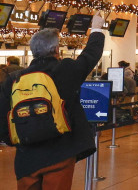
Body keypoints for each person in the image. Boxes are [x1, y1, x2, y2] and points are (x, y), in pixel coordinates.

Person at [0, 17, 106, 188]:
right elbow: (90, 55)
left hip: (26, 158)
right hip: (60, 153)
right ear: (56, 49)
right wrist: (96, 29)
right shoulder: (65, 70)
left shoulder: (13, 79)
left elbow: (3, 118)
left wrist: (18, 140)